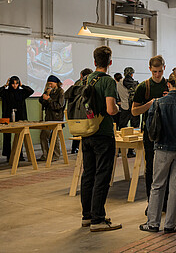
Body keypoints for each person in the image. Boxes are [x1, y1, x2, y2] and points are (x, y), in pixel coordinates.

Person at [139, 68, 176, 233]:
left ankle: (152, 223)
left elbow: (150, 128)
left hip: (162, 149)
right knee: (175, 188)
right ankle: (171, 225)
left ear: (168, 84)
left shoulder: (158, 103)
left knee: (157, 185)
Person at [81, 46, 121, 232]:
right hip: (103, 134)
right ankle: (98, 219)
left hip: (87, 132)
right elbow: (110, 110)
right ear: (110, 62)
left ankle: (87, 216)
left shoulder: (86, 79)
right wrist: (118, 109)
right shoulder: (108, 82)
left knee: (88, 174)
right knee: (102, 176)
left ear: (94, 61)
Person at [131, 55, 169, 211]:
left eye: (160, 71)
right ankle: (151, 203)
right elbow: (134, 111)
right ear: (149, 69)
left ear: (164, 68)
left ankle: (165, 202)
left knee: (166, 168)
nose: (157, 75)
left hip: (168, 132)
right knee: (151, 169)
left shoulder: (169, 85)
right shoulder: (143, 87)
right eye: (154, 72)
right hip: (150, 133)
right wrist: (150, 103)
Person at [0, 76, 34, 161]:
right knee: (7, 135)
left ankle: (19, 154)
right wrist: (5, 85)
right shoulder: (6, 92)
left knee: (19, 135)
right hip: (7, 116)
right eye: (13, 83)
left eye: (16, 83)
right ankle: (8, 155)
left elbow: (31, 91)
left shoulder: (21, 92)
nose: (15, 85)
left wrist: (22, 85)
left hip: (20, 116)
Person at [38, 75, 65, 161]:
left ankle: (56, 155)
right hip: (48, 117)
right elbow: (41, 101)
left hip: (57, 118)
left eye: (51, 83)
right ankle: (45, 154)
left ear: (56, 83)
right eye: (48, 83)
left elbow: (59, 106)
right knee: (43, 135)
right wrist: (45, 97)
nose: (50, 85)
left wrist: (49, 99)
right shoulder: (48, 91)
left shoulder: (60, 92)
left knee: (54, 137)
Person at [68, 68, 93, 154]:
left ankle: (74, 148)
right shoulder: (89, 85)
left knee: (77, 128)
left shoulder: (76, 84)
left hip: (76, 111)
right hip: (85, 110)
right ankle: (80, 148)